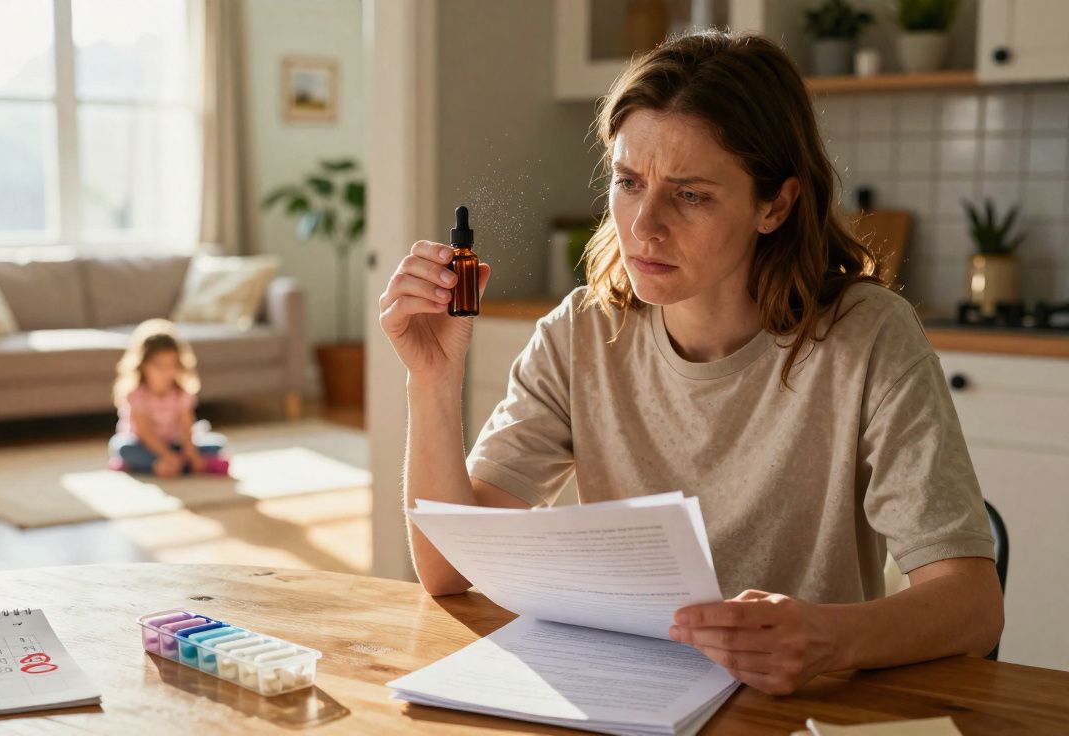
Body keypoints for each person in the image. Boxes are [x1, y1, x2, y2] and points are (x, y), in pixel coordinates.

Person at [378, 29, 1002, 696]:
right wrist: (433, 380)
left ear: (776, 204)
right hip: (627, 698)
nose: (643, 225)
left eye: (690, 194)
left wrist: (830, 638)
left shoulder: (867, 338)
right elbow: (447, 569)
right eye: (627, 181)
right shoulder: (581, 333)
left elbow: (972, 604)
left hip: (800, 707)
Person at [109, 319, 229, 477]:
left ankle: (165, 466)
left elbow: (187, 426)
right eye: (158, 366)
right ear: (143, 365)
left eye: (171, 365)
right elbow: (145, 432)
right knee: (122, 446)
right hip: (145, 444)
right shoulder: (136, 394)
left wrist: (191, 452)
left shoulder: (182, 392)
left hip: (175, 443)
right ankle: (178, 466)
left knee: (217, 443)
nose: (165, 372)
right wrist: (166, 455)